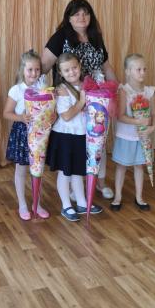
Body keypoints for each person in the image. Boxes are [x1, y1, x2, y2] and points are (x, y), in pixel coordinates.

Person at [42, 0, 116, 199]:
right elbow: (44, 66)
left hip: (96, 99)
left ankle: (99, 182)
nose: (81, 17)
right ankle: (74, 188)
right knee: (75, 144)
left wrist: (117, 89)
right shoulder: (60, 37)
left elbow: (106, 66)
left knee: (98, 141)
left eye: (85, 13)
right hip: (70, 96)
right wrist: (41, 94)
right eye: (76, 14)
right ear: (68, 18)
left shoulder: (95, 37)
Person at [46, 53, 103, 222]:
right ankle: (66, 205)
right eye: (67, 70)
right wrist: (82, 101)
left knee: (78, 171)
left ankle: (82, 202)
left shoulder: (86, 85)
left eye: (74, 68)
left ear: (80, 66)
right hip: (64, 136)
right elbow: (66, 116)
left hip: (81, 134)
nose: (71, 72)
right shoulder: (62, 89)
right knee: (65, 172)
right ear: (61, 73)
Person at [3, 50, 50, 221]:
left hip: (40, 135)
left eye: (37, 70)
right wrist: (21, 117)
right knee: (21, 170)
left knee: (37, 170)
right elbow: (6, 113)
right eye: (30, 69)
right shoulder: (16, 90)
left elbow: (49, 110)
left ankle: (37, 203)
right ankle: (22, 204)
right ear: (22, 70)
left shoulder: (43, 89)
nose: (34, 73)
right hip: (22, 134)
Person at [110, 53, 155, 212]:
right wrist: (138, 121)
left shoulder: (149, 91)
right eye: (138, 69)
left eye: (144, 69)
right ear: (128, 71)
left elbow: (154, 114)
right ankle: (117, 196)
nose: (142, 72)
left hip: (143, 137)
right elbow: (120, 116)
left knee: (139, 166)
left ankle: (139, 197)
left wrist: (152, 127)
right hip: (126, 136)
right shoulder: (124, 91)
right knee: (121, 166)